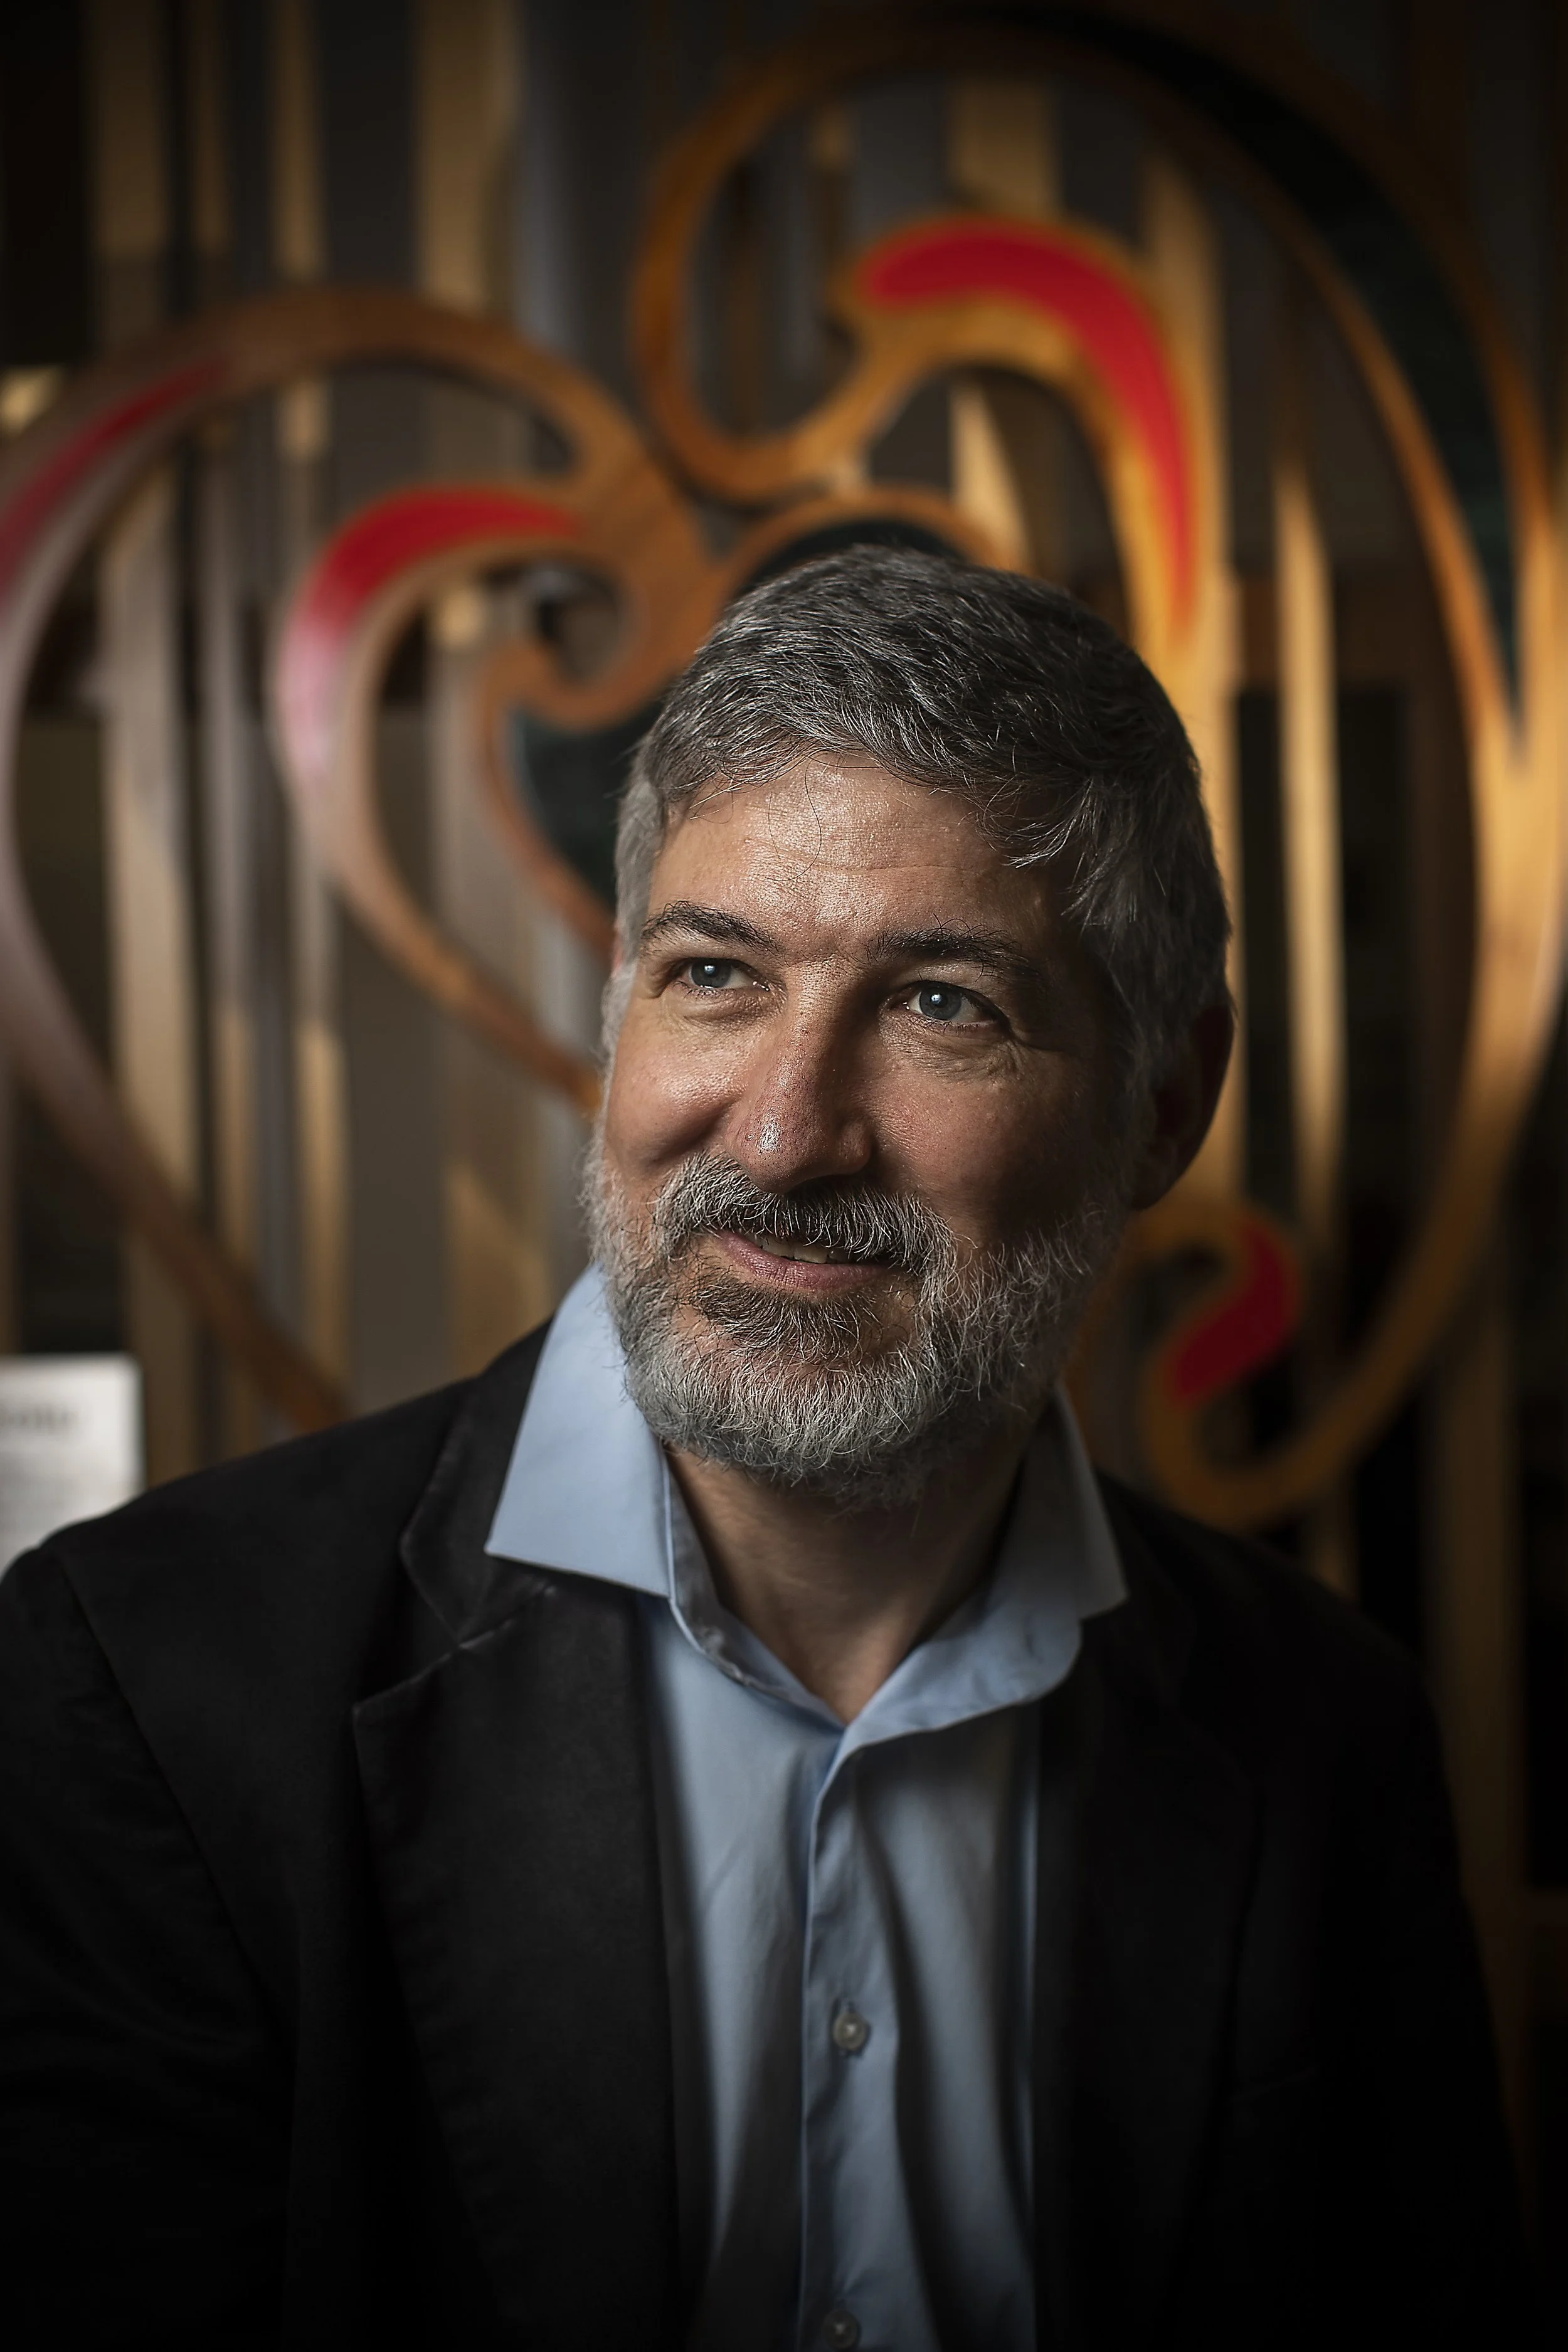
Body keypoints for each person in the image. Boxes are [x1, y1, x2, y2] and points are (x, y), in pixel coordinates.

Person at [0, 549, 1532, 2351]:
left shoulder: (1322, 1728)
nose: (790, 1131)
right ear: (620, 1017)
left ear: (1165, 1103)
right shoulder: (144, 1684)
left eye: (942, 1002)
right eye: (716, 971)